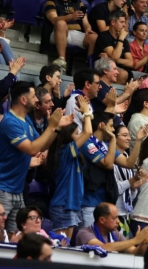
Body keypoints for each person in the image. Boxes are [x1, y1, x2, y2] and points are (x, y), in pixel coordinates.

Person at [0, 81, 72, 232]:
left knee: (15, 236)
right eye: (33, 97)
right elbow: (31, 149)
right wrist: (51, 126)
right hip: (1, 189)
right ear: (23, 100)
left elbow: (42, 146)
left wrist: (55, 129)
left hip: (17, 190)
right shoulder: (10, 122)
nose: (36, 100)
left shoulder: (26, 122)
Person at [47, 96, 92, 240]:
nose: (79, 136)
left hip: (71, 206)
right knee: (61, 248)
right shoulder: (65, 151)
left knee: (65, 249)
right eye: (76, 134)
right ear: (68, 136)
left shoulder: (73, 154)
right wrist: (86, 113)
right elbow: (88, 132)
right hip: (63, 206)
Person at [44, 0, 98, 70]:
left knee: (94, 37)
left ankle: (90, 68)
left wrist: (88, 29)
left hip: (75, 33)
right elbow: (53, 20)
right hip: (58, 33)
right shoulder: (51, 1)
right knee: (61, 23)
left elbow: (86, 23)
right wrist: (71, 16)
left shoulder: (78, 2)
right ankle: (62, 59)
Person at [75, 202, 148, 255]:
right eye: (114, 218)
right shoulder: (84, 233)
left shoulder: (115, 234)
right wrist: (135, 240)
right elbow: (102, 248)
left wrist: (143, 243)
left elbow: (134, 253)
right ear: (102, 220)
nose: (118, 221)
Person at [93, 10, 133, 84]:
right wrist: (120, 38)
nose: (124, 25)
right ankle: (111, 94)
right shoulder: (103, 36)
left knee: (144, 77)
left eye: (124, 22)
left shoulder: (125, 41)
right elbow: (115, 56)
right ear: (113, 22)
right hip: (104, 68)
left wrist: (110, 58)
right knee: (123, 74)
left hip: (120, 68)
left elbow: (130, 62)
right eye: (121, 22)